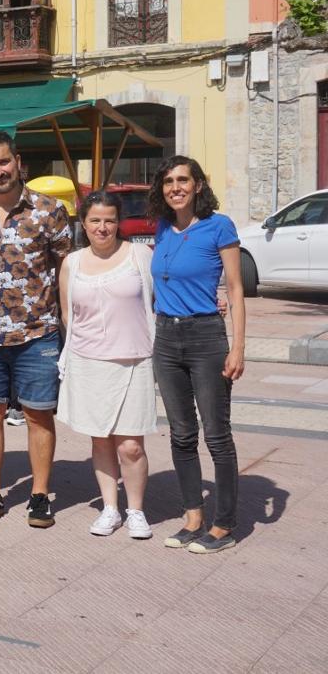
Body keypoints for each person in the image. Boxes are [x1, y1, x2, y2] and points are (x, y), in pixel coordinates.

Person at [0, 131, 72, 528]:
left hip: (37, 333)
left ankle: (39, 495)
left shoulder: (50, 210)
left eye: (3, 162)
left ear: (17, 160)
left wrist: (67, 324)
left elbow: (64, 269)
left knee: (38, 415)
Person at [148, 156, 246, 554]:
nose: (176, 187)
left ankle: (225, 523)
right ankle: (193, 516)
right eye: (169, 181)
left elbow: (236, 288)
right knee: (181, 434)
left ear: (198, 185)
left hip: (206, 337)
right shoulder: (162, 228)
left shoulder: (219, 226)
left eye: (183, 180)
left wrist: (238, 346)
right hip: (166, 338)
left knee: (217, 435)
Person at [58, 191, 157, 540]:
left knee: (131, 445)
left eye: (110, 220)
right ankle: (110, 508)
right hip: (89, 363)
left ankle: (136, 510)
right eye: (95, 220)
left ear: (119, 223)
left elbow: (163, 297)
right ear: (83, 223)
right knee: (100, 441)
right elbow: (68, 314)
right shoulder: (72, 262)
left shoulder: (139, 255)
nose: (103, 227)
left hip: (133, 361)